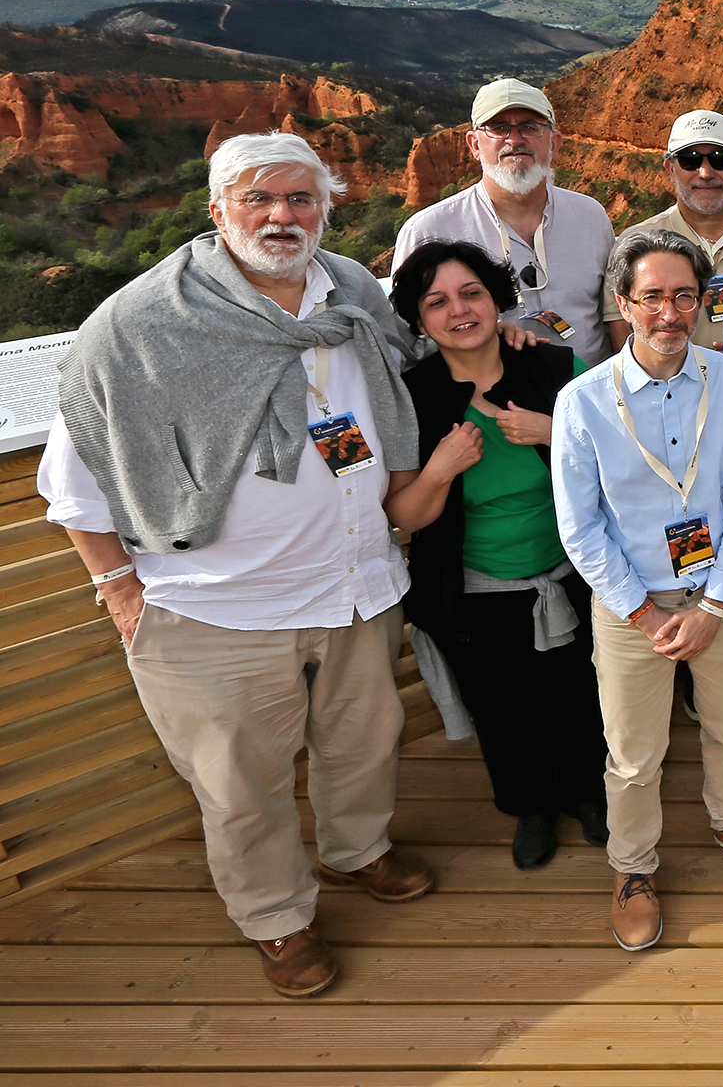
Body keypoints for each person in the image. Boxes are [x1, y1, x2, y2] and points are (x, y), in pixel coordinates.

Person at [44, 133, 433, 997]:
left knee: (364, 744)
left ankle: (356, 851)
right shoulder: (143, 325)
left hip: (357, 584)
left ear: (326, 210)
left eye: (300, 199)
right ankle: (277, 918)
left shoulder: (351, 292)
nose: (281, 217)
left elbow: (410, 369)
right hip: (217, 606)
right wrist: (118, 591)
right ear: (218, 211)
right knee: (240, 787)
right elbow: (75, 481)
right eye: (258, 199)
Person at [553, 226, 723, 951]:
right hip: (632, 606)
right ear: (624, 304)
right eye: (652, 296)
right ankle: (633, 867)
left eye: (685, 296)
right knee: (632, 753)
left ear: (703, 301)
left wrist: (715, 605)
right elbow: (580, 527)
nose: (670, 312)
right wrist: (646, 615)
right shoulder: (583, 401)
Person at [389, 240, 602, 872]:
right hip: (474, 588)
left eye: (471, 293)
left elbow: (619, 460)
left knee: (581, 693)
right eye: (437, 302)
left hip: (572, 571)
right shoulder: (412, 397)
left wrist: (554, 431)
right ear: (419, 320)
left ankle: (589, 792)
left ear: (497, 300)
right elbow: (406, 516)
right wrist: (440, 469)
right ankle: (531, 806)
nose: (458, 310)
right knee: (502, 709)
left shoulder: (554, 366)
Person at [393, 78, 616, 362]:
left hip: (593, 386)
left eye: (530, 127)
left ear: (554, 143)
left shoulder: (590, 216)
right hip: (489, 390)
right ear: (474, 144)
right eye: (498, 128)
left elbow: (615, 312)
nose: (514, 140)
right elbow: (406, 340)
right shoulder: (428, 230)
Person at [601, 110, 723, 358]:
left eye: (720, 159)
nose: (705, 173)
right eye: (690, 160)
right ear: (670, 168)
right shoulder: (636, 243)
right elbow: (622, 331)